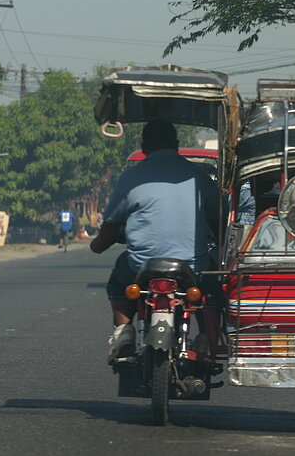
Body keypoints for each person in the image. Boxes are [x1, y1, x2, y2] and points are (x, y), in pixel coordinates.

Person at [90, 119, 220, 363]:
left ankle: (123, 331)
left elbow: (110, 225)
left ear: (144, 146)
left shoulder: (132, 177)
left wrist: (97, 245)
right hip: (192, 266)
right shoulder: (199, 176)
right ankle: (205, 336)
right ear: (177, 145)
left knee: (119, 281)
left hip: (142, 266)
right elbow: (218, 219)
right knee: (211, 290)